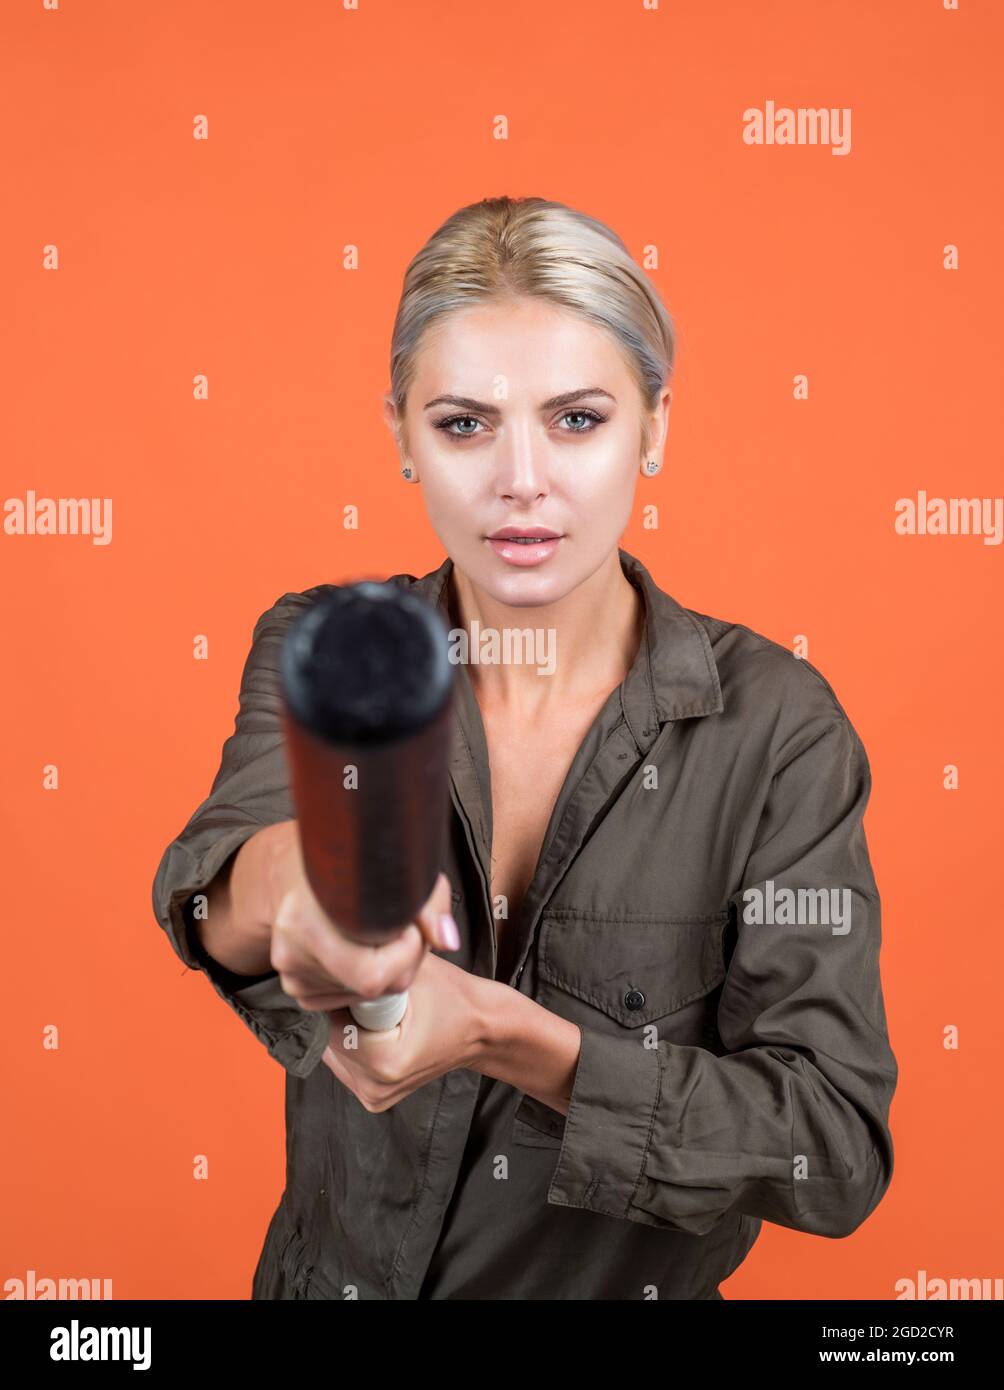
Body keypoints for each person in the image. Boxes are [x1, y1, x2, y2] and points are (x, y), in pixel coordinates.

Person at [151, 195, 898, 1300]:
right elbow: (224, 884)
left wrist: (512, 1038)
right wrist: (303, 897)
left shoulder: (778, 732)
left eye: (576, 419)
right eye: (461, 423)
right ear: (399, 433)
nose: (519, 481)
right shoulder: (322, 644)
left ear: (654, 426)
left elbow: (829, 1148)